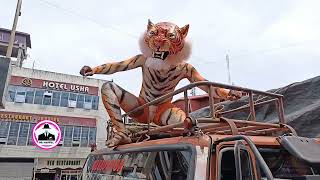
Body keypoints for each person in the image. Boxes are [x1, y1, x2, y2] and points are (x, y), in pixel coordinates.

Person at [80, 20, 242, 147]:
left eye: (169, 36)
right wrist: (94, 69)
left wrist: (227, 94)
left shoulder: (184, 68)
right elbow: (118, 66)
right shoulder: (143, 59)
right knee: (108, 87)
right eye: (155, 35)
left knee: (188, 127)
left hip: (163, 109)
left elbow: (205, 85)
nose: (158, 41)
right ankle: (121, 132)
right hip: (141, 107)